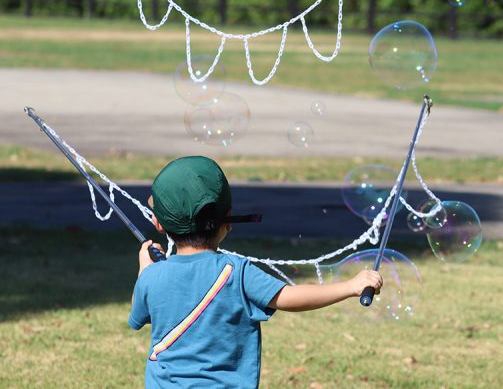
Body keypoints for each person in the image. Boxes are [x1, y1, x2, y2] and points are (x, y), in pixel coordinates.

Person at [129, 156, 383, 388]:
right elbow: (289, 298)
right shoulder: (236, 272)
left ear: (158, 224)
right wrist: (350, 286)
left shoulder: (151, 276)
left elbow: (139, 317)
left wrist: (145, 269)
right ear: (228, 221)